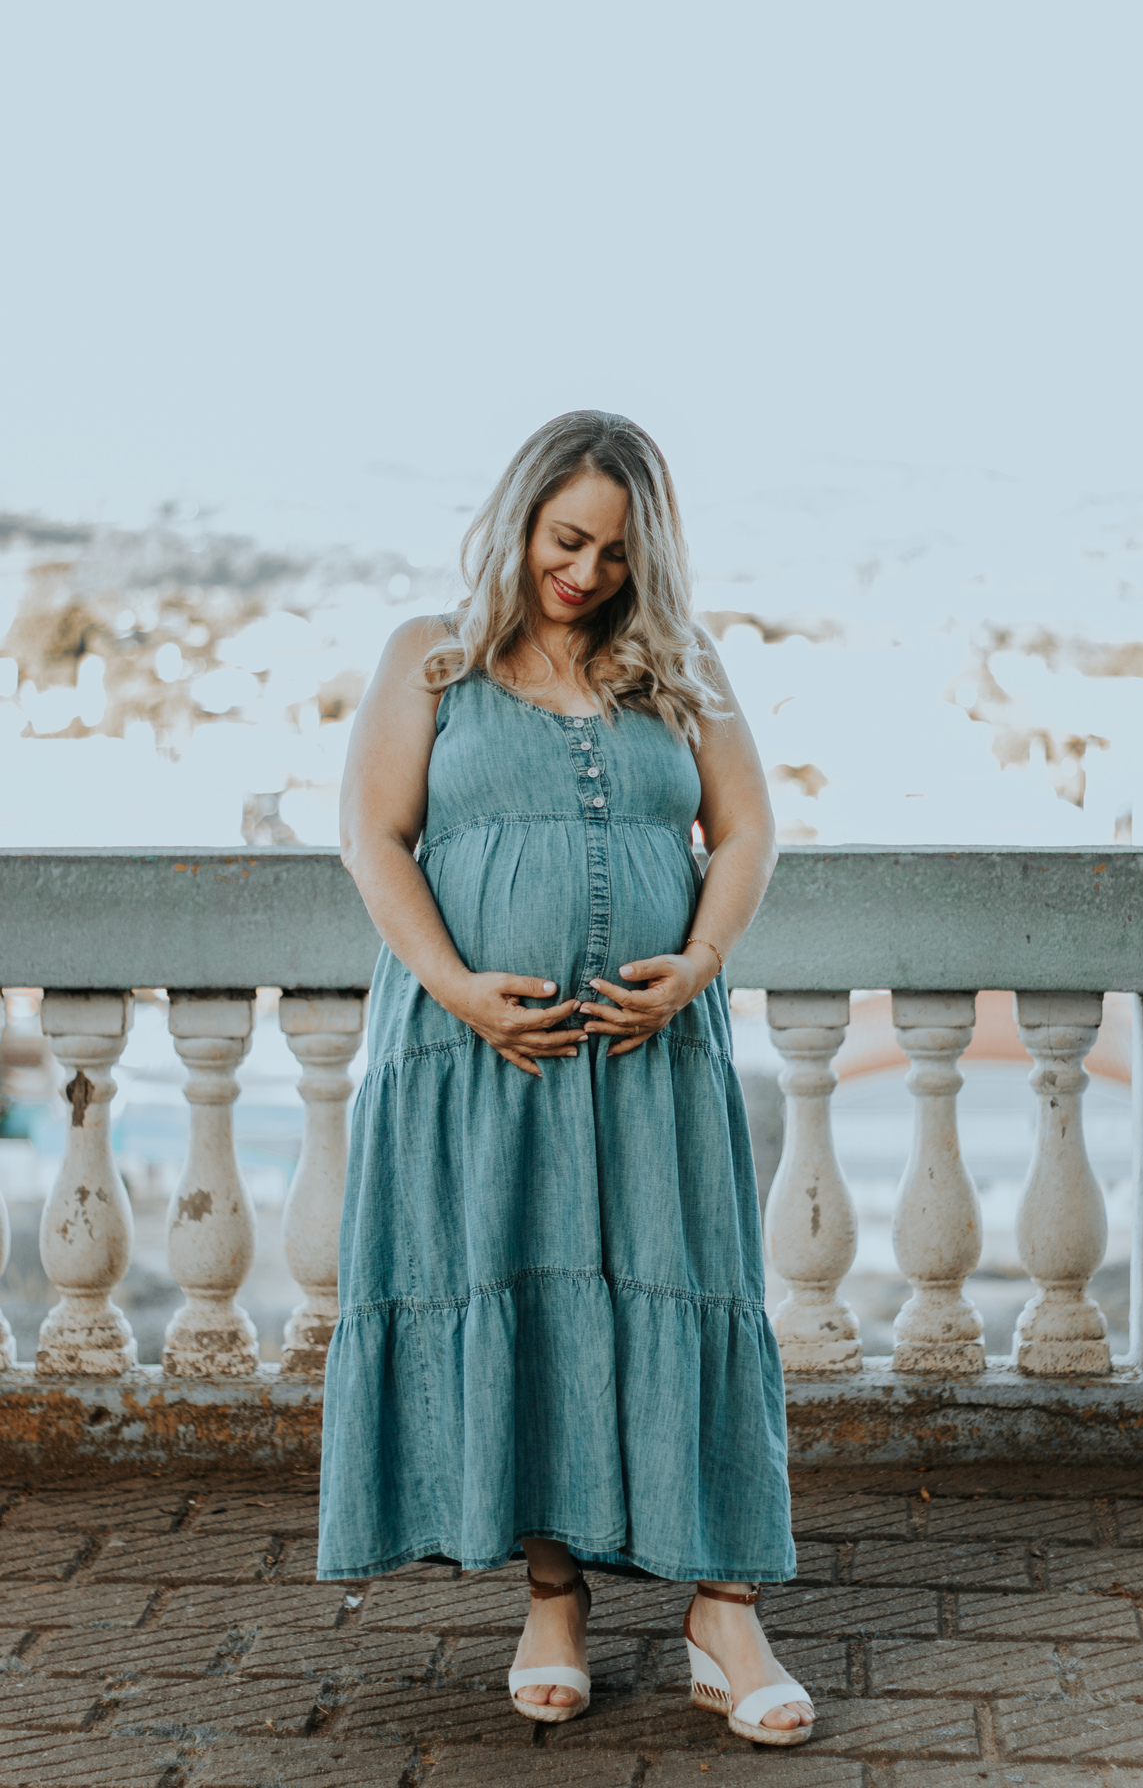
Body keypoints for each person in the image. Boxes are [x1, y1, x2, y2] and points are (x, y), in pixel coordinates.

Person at [318, 410, 814, 1743]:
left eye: (617, 553)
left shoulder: (680, 662)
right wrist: (456, 987)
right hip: (485, 1052)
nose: (586, 574)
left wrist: (700, 960)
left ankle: (725, 1612)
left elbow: (747, 829)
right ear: (520, 518)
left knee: (694, 1289)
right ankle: (553, 1600)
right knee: (530, 1296)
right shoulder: (430, 657)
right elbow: (373, 835)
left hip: (652, 1054)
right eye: (567, 539)